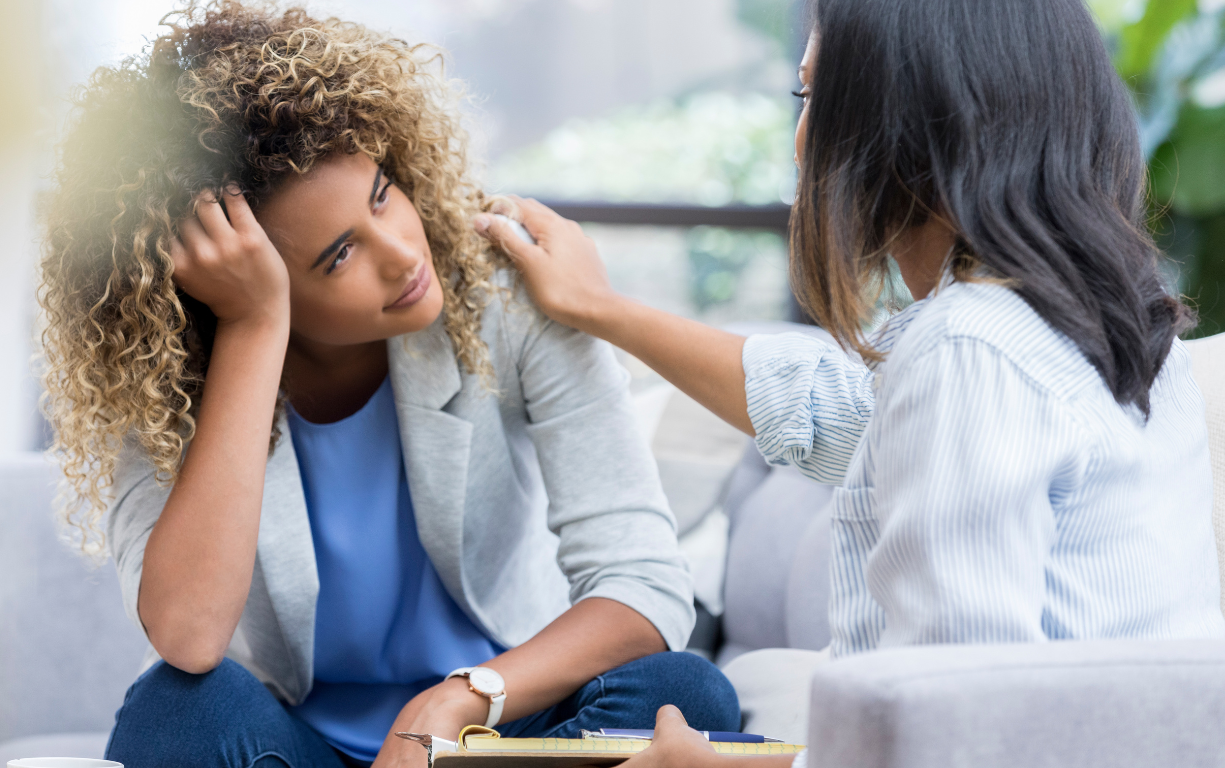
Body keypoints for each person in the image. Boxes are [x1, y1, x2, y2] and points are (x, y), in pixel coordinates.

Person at [474, 0, 1225, 765]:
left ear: (912, 124)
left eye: (814, 99)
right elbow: (834, 414)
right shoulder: (1120, 338)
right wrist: (600, 309)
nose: (802, 144)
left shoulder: (969, 351)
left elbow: (954, 729)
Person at [37, 4, 738, 767]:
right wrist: (251, 331)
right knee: (175, 711)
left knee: (686, 695)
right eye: (338, 256)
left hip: (498, 732)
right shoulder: (166, 378)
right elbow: (188, 635)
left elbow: (642, 583)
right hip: (293, 744)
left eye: (382, 194)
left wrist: (459, 697)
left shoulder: (507, 301)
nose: (404, 254)